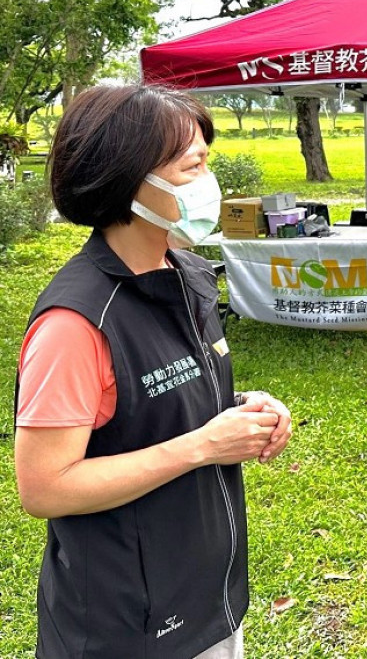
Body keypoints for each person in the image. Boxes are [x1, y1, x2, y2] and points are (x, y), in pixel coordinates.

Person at [13, 85, 292, 659]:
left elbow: (160, 399)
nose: (210, 182)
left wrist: (244, 409)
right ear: (130, 180)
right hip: (126, 624)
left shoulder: (188, 272)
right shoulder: (75, 323)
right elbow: (44, 487)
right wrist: (202, 446)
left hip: (207, 595)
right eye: (194, 166)